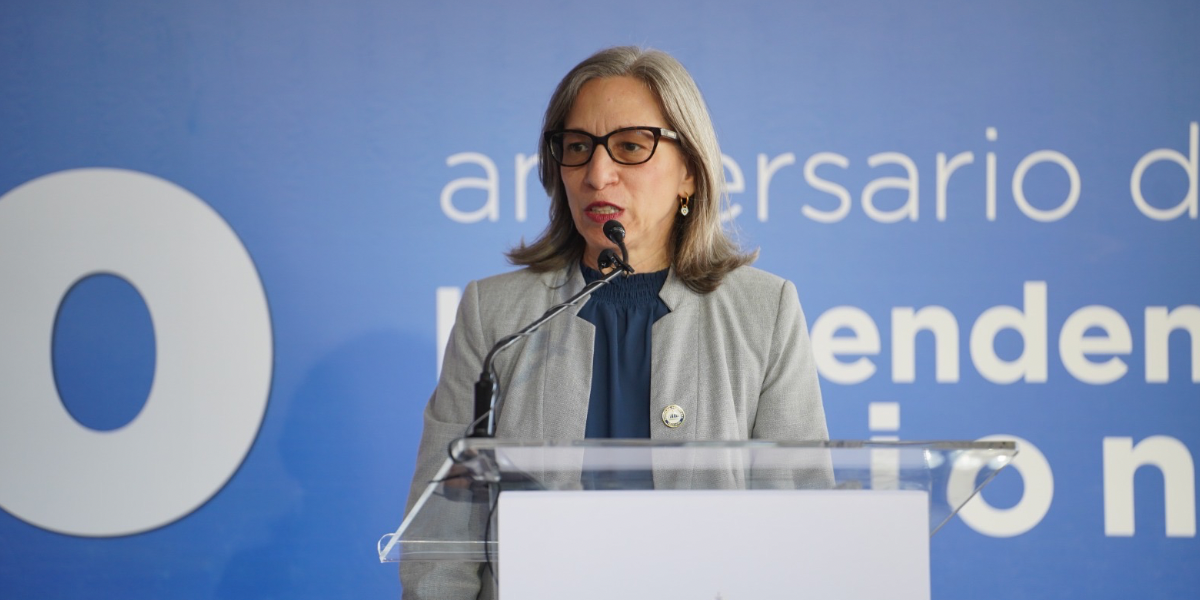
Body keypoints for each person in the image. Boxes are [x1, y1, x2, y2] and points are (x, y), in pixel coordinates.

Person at [401, 46, 828, 600]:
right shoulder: (496, 314)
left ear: (690, 175)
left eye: (630, 146)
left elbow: (800, 522)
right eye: (577, 148)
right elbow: (445, 535)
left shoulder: (764, 311)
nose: (597, 174)